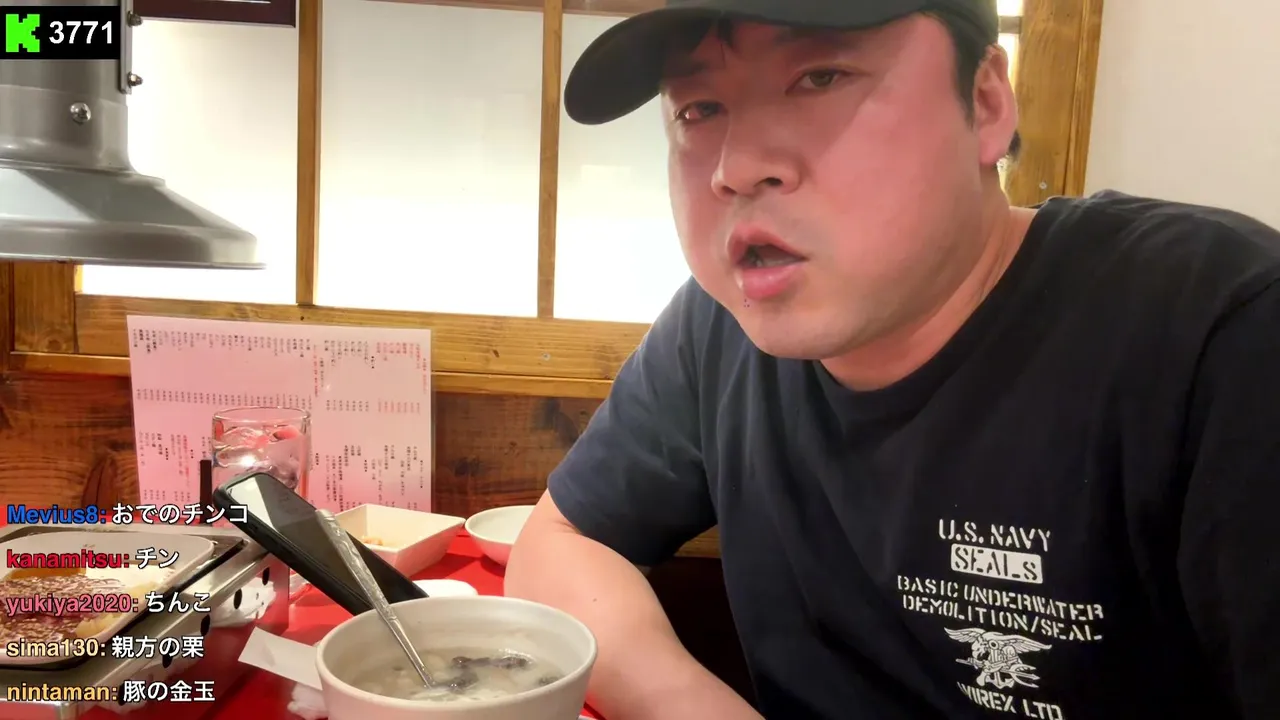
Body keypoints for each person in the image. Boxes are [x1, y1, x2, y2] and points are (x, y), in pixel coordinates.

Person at [504, 0, 1280, 718]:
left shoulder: (1220, 330)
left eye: (819, 77)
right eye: (698, 109)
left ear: (985, 103)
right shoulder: (721, 329)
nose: (735, 167)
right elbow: (561, 543)